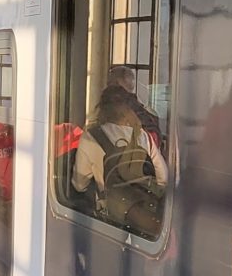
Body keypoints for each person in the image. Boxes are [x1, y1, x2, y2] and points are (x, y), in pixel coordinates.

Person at [72, 78, 170, 237]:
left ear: (101, 109)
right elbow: (163, 178)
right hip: (143, 211)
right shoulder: (142, 135)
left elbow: (79, 185)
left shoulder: (90, 137)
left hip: (110, 216)